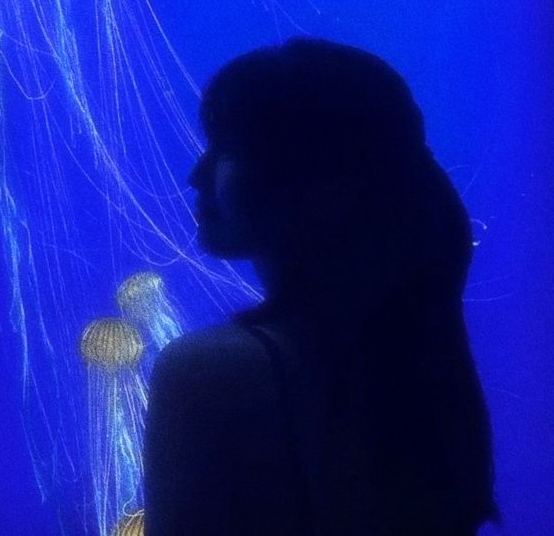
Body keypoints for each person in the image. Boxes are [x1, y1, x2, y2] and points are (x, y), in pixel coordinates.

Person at [143, 38, 497, 535]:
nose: (195, 175)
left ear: (315, 181)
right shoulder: (424, 367)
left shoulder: (210, 372)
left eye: (227, 150)